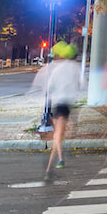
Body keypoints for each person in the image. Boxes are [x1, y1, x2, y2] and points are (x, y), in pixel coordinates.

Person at [30, 41, 81, 179]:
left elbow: (47, 87)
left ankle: (58, 159)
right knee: (60, 133)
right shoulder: (73, 67)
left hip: (56, 104)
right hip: (66, 104)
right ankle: (52, 164)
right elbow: (81, 84)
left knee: (59, 133)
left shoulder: (55, 68)